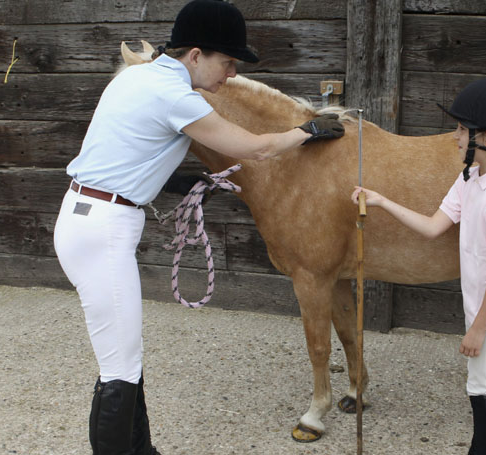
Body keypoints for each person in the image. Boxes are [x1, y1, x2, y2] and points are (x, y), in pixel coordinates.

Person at [53, 1, 345, 453]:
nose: (230, 74)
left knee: (125, 359)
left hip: (90, 217)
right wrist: (308, 130)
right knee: (119, 369)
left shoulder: (137, 77)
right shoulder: (176, 96)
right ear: (195, 55)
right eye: (227, 61)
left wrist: (174, 180)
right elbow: (258, 148)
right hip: (102, 229)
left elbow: (123, 147)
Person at [351, 78, 486, 455]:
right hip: (484, 305)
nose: (453, 137)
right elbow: (434, 226)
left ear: (485, 138)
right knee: (482, 384)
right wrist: (382, 200)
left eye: (460, 129)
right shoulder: (471, 178)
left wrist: (477, 332)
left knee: (481, 388)